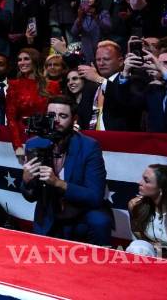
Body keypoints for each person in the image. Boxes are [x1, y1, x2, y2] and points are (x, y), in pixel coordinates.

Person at [21, 96, 112, 246]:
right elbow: (30, 197)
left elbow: (95, 196)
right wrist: (26, 181)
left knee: (100, 221)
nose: (56, 121)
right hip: (50, 211)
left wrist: (58, 183)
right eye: (51, 116)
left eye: (63, 116)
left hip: (82, 212)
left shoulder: (89, 147)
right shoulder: (34, 143)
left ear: (74, 119)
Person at [6, 48, 61, 160]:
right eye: (19, 60)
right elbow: (11, 119)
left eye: (26, 59)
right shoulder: (14, 85)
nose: (22, 62)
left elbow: (56, 114)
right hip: (23, 137)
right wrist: (17, 146)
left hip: (47, 137)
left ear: (35, 61)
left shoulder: (53, 85)